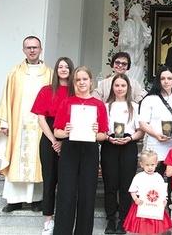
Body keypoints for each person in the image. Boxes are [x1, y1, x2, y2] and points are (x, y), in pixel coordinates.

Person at [0, 36, 53, 212]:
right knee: (16, 158)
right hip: (19, 123)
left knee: (38, 160)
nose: (32, 50)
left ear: (41, 49)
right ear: (23, 50)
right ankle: (14, 200)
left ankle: (36, 200)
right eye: (28, 47)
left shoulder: (48, 73)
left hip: (40, 125)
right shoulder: (15, 72)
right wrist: (4, 122)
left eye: (35, 47)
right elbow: (6, 97)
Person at [53, 66, 109, 234]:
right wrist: (66, 131)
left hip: (90, 150)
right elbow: (57, 131)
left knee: (87, 194)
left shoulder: (99, 105)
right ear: (74, 82)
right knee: (66, 194)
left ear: (91, 81)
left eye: (85, 79)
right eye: (78, 80)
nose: (82, 82)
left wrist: (95, 130)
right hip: (70, 149)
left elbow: (103, 136)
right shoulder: (67, 102)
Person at [31, 57, 75, 234]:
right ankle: (48, 219)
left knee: (67, 181)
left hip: (71, 135)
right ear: (56, 70)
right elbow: (41, 118)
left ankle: (64, 218)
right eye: (60, 67)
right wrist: (54, 141)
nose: (63, 69)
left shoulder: (75, 92)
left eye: (67, 67)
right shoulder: (46, 90)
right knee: (49, 179)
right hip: (49, 135)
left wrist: (64, 140)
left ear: (71, 70)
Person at [101, 74, 145, 234]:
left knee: (126, 185)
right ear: (112, 87)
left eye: (123, 86)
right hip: (109, 145)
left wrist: (130, 138)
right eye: (117, 85)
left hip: (128, 145)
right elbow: (101, 129)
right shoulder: (105, 106)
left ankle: (123, 219)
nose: (120, 88)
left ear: (128, 88)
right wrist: (107, 138)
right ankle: (111, 220)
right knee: (110, 184)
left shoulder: (134, 106)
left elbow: (140, 130)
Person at [139, 66, 172, 205]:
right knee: (155, 184)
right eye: (163, 78)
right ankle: (155, 219)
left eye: (169, 78)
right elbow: (142, 122)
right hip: (156, 147)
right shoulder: (150, 99)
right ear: (158, 81)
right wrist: (156, 134)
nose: (166, 81)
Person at [124, 149, 172, 234]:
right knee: (142, 228)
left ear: (156, 164)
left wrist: (165, 200)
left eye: (152, 165)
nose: (150, 167)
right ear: (141, 165)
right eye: (147, 165)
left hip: (155, 207)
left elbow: (163, 191)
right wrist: (135, 199)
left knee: (154, 229)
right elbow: (132, 190)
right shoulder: (139, 177)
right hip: (141, 205)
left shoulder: (158, 177)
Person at [117, 0, 152, 87]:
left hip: (139, 55)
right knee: (129, 72)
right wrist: (131, 41)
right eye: (138, 11)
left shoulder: (143, 24)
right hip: (129, 54)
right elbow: (122, 41)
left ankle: (138, 91)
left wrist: (147, 37)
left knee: (139, 74)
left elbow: (147, 43)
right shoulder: (128, 24)